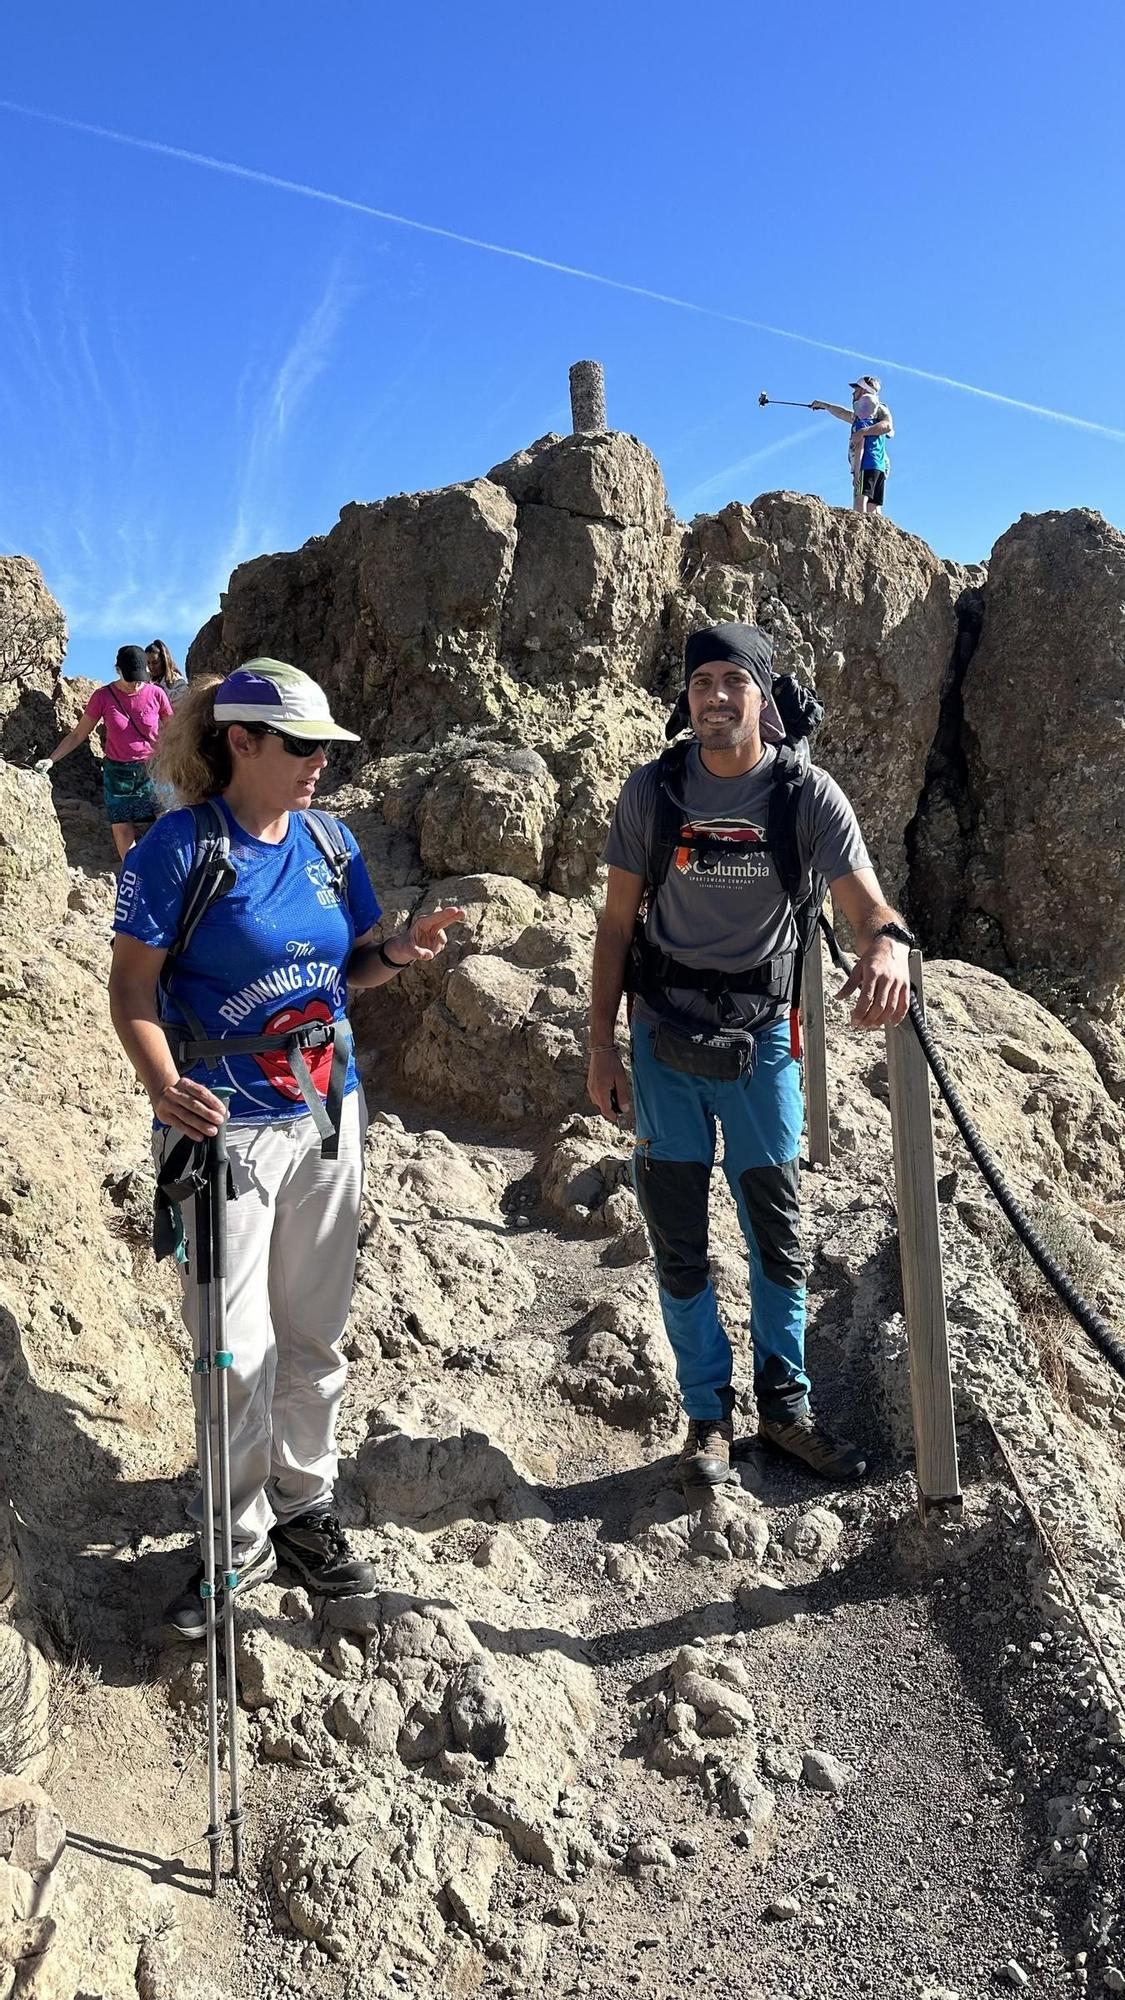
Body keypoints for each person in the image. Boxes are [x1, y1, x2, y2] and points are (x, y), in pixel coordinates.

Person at [107, 657, 464, 1639]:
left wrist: (397, 951)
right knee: (233, 1348)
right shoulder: (177, 851)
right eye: (301, 745)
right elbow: (132, 989)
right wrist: (157, 1079)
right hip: (219, 1121)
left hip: (325, 1112)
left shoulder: (331, 843)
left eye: (327, 747)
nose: (319, 763)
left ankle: (305, 1510)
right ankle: (235, 1536)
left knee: (314, 1334)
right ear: (241, 742)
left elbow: (347, 966)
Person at [587, 623, 914, 1489]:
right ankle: (705, 1415)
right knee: (678, 1241)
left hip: (763, 1043)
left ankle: (786, 1410)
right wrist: (599, 1047)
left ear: (762, 698)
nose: (716, 698)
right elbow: (616, 926)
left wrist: (882, 948)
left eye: (734, 681)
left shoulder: (806, 795)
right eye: (702, 684)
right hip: (661, 1042)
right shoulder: (652, 792)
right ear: (686, 699)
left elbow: (865, 906)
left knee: (777, 1236)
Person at [35, 644, 173, 859]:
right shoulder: (103, 697)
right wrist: (51, 760)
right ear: (118, 670)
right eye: (131, 678)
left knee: (167, 820)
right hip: (118, 773)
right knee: (121, 826)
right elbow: (78, 735)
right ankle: (132, 873)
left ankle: (169, 870)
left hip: (153, 768)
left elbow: (175, 731)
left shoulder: (157, 694)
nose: (136, 684)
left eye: (140, 678)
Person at [810, 375, 894, 516]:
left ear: (863, 391)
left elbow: (887, 427)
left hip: (866, 465)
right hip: (878, 466)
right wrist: (825, 406)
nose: (853, 393)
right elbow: (842, 413)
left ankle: (863, 531)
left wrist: (861, 433)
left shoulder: (874, 413)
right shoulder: (865, 416)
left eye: (856, 389)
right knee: (874, 507)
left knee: (860, 503)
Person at [146, 639, 187, 707]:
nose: (151, 667)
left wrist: (159, 690)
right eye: (148, 663)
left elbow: (182, 701)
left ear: (164, 661)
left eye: (155, 663)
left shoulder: (177, 680)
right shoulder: (145, 680)